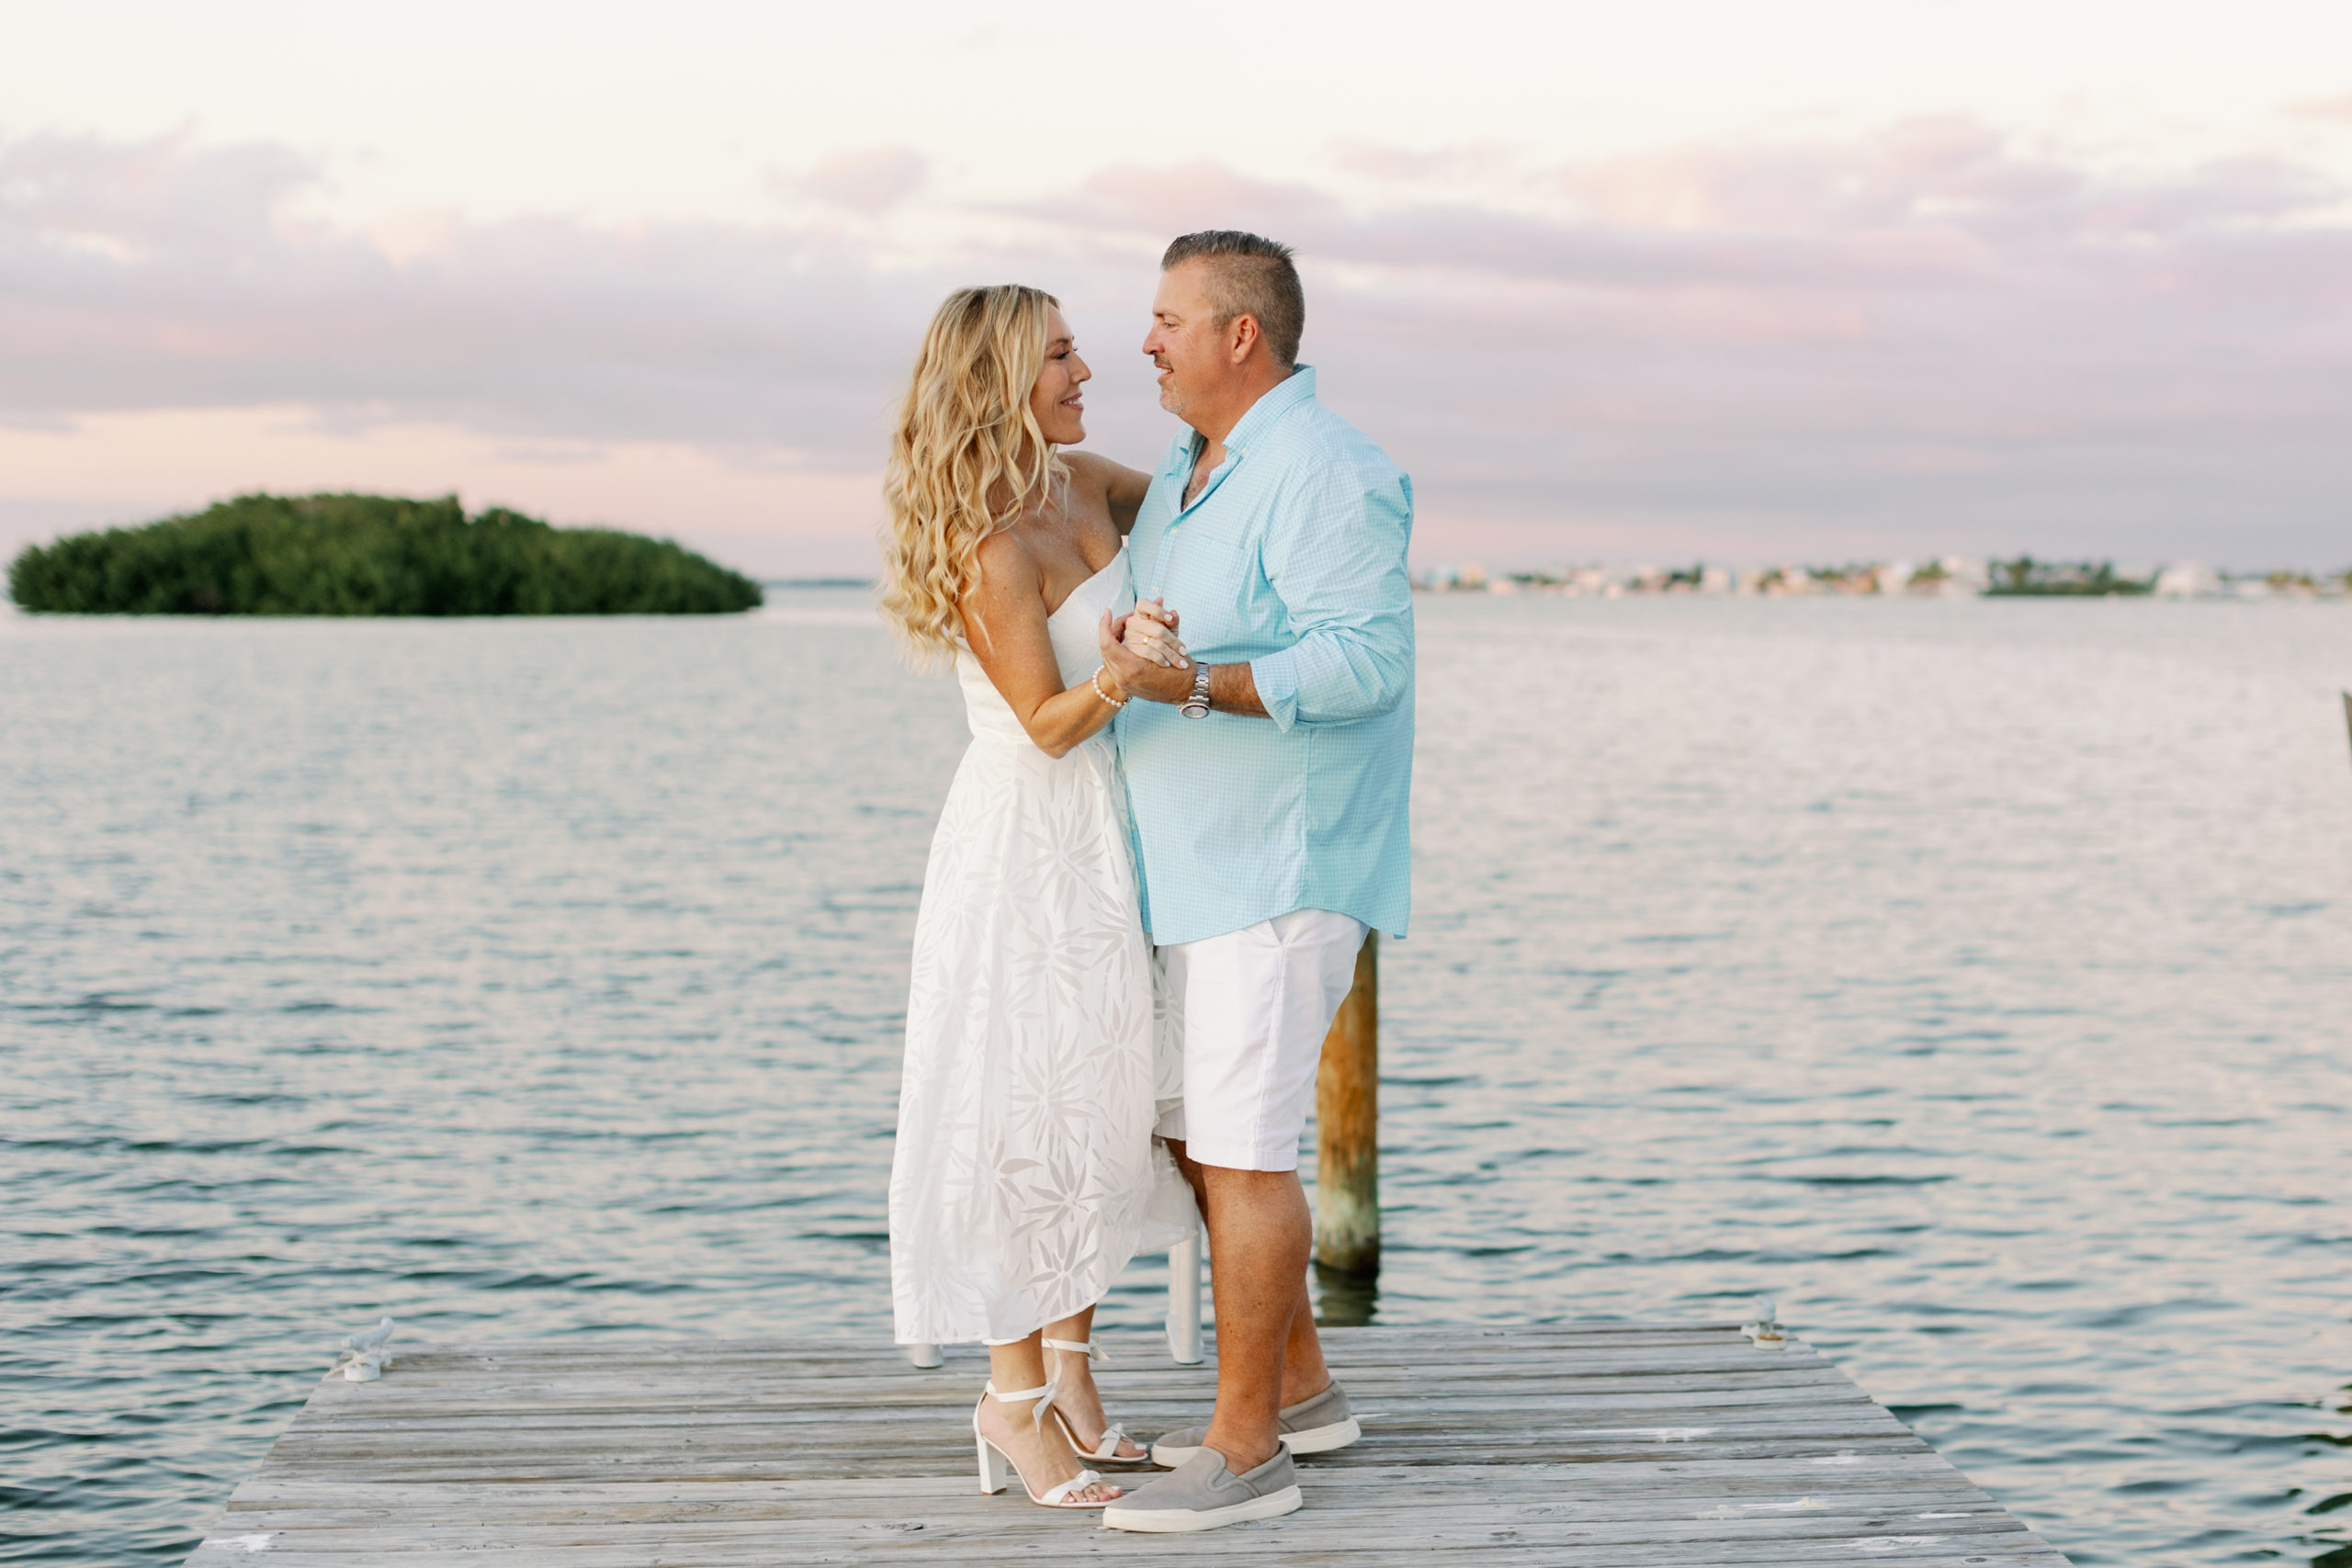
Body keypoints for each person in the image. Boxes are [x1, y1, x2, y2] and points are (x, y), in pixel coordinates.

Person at [1095, 231, 1416, 1535]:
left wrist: (1203, 687)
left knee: (1241, 1148)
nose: (1147, 341)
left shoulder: (1327, 470)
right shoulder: (1187, 465)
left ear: (1243, 335)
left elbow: (1364, 663)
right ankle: (1304, 1394)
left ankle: (1247, 1451)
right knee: (1197, 1132)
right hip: (1199, 869)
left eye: (1168, 319)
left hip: (1281, 868)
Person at [879, 285, 1196, 1511]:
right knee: (1026, 1113)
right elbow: (1053, 726)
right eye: (1060, 354)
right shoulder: (992, 543)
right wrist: (1123, 671)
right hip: (1025, 840)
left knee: (1096, 1108)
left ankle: (1073, 1378)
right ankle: (1008, 1408)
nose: (1085, 369)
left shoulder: (1085, 482)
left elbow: (1186, 491)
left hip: (1104, 840)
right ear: (1001, 379)